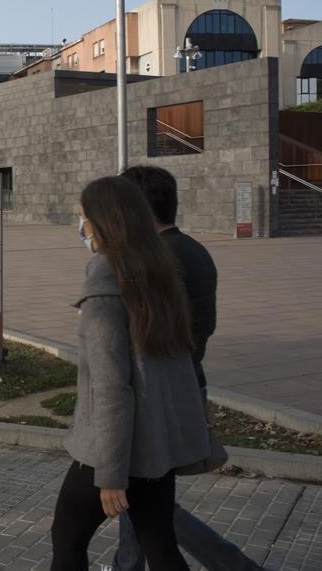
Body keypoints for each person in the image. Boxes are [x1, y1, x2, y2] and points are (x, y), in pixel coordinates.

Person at [50, 176, 210, 571]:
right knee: (160, 545)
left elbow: (111, 390)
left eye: (84, 218)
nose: (82, 227)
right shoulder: (158, 275)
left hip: (113, 452)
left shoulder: (106, 289)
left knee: (66, 539)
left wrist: (110, 475)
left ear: (105, 223)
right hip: (157, 449)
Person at [115, 165, 262, 571]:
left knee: (146, 499)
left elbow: (142, 337)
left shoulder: (159, 260)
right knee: (143, 493)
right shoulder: (193, 249)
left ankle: (233, 564)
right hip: (182, 385)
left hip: (156, 395)